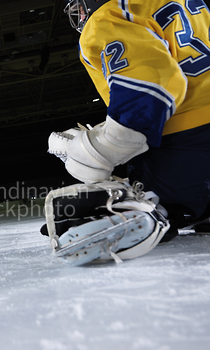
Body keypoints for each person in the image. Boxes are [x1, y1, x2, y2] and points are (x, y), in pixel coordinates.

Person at [48, 0, 210, 245]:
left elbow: (150, 86)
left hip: (185, 143)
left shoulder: (109, 14)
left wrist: (102, 148)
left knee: (137, 208)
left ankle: (160, 213)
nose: (81, 14)